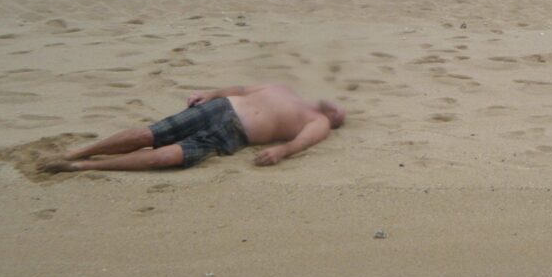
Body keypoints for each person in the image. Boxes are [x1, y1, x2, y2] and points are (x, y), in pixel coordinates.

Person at [42, 84, 345, 173]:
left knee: (166, 157)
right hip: (220, 107)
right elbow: (239, 87)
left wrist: (281, 151)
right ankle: (78, 151)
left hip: (233, 135)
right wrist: (210, 94)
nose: (338, 105)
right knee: (148, 135)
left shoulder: (319, 123)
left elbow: (303, 142)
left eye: (340, 112)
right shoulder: (286, 89)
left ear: (334, 119)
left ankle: (83, 166)